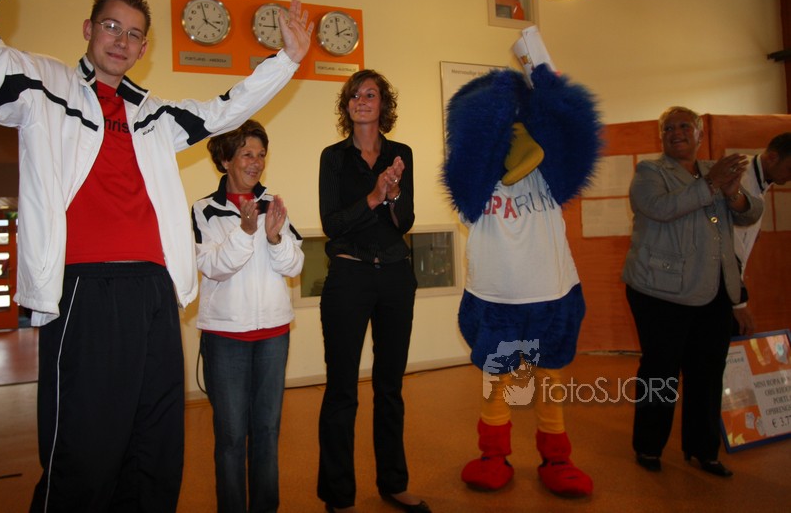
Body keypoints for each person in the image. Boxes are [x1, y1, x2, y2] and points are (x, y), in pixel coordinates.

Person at [0, 0, 313, 511]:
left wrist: (287, 60)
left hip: (155, 294)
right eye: (111, 26)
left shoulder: (153, 115)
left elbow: (224, 110)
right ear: (88, 30)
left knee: (155, 451)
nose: (122, 40)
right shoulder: (44, 88)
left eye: (134, 34)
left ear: (143, 49)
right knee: (85, 457)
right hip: (85, 292)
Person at [442, 64, 599, 498]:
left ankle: (557, 457)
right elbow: (469, 168)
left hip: (552, 290)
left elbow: (575, 140)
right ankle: (493, 454)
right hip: (497, 295)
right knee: (498, 379)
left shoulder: (550, 174)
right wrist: (494, 109)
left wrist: (549, 94)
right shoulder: (474, 185)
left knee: (550, 377)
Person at [621, 106, 763, 477]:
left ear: (699, 133)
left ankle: (703, 449)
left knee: (708, 372)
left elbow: (750, 212)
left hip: (715, 291)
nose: (677, 132)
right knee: (660, 370)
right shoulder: (650, 172)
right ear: (661, 137)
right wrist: (712, 184)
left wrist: (733, 193)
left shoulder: (715, 170)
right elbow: (660, 208)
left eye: (685, 125)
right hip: (659, 292)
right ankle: (649, 446)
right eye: (669, 128)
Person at [316, 70, 428, 513]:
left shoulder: (402, 154)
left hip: (395, 277)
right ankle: (339, 495)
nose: (361, 100)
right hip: (349, 277)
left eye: (370, 94)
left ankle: (394, 482)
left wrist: (394, 195)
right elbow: (332, 224)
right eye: (354, 95)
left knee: (390, 387)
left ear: (384, 104)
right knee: (342, 389)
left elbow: (405, 222)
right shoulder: (333, 158)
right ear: (347, 106)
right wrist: (374, 196)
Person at [192, 120, 304, 513]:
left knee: (268, 432)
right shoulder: (204, 210)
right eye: (246, 154)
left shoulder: (273, 204)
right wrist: (244, 231)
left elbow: (294, 265)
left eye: (261, 155)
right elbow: (213, 268)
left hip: (274, 334)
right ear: (225, 160)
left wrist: (273, 237)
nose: (255, 162)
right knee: (230, 436)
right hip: (225, 339)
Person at [731, 132, 791, 335]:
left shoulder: (758, 178)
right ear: (772, 157)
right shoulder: (741, 179)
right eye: (790, 168)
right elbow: (729, 250)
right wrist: (738, 303)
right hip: (719, 286)